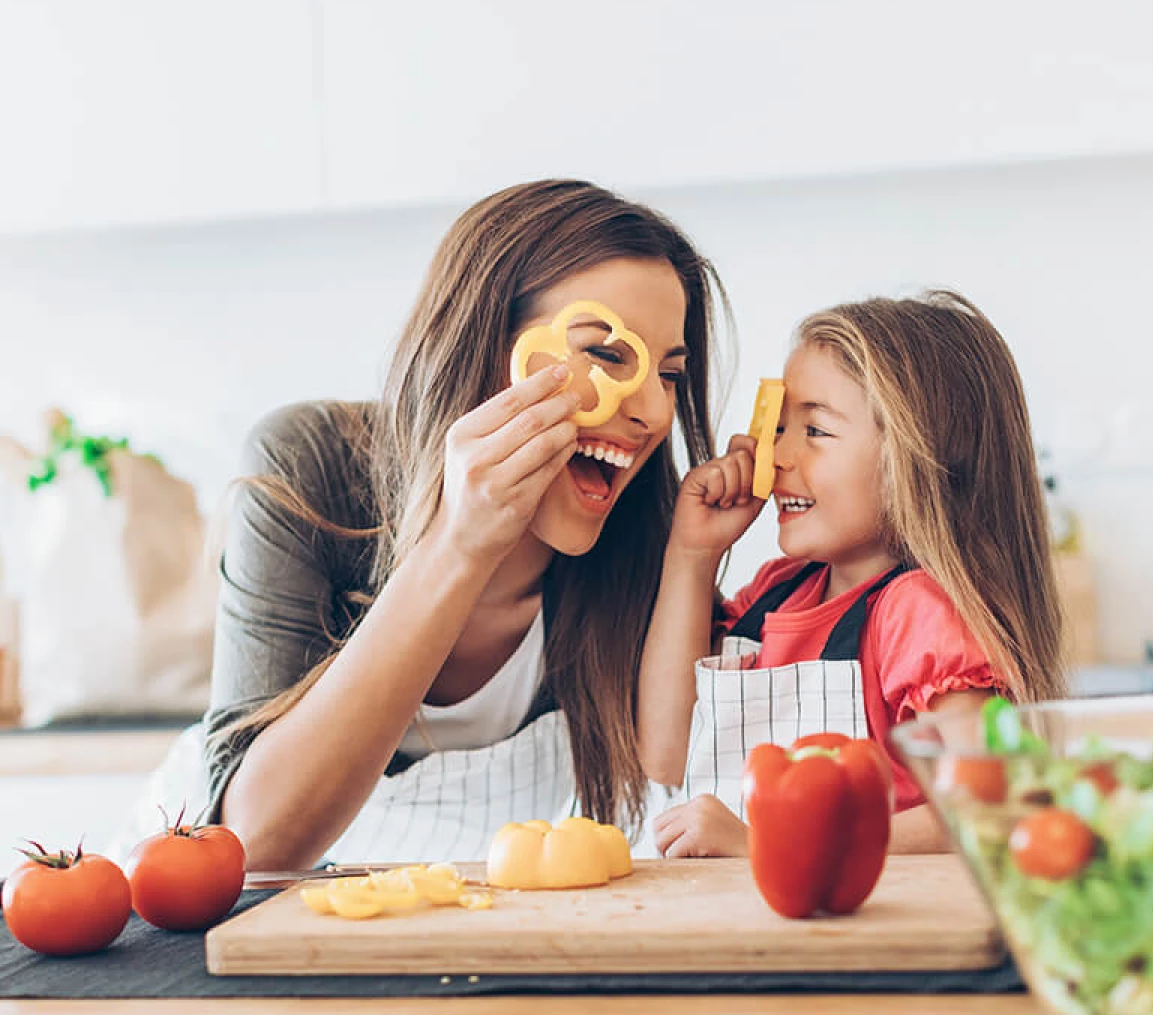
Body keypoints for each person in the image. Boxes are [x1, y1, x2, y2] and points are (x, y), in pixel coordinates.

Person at [202, 180, 726, 871]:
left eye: (670, 374)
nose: (654, 413)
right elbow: (256, 848)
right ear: (483, 346)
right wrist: (461, 543)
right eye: (605, 356)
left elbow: (677, 771)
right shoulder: (309, 464)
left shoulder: (647, 541)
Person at [636, 290, 1066, 858]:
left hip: (872, 940)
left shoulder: (919, 614)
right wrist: (692, 556)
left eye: (814, 431)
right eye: (780, 428)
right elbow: (667, 755)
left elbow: (990, 805)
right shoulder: (776, 594)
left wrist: (774, 844)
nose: (777, 457)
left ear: (915, 459)